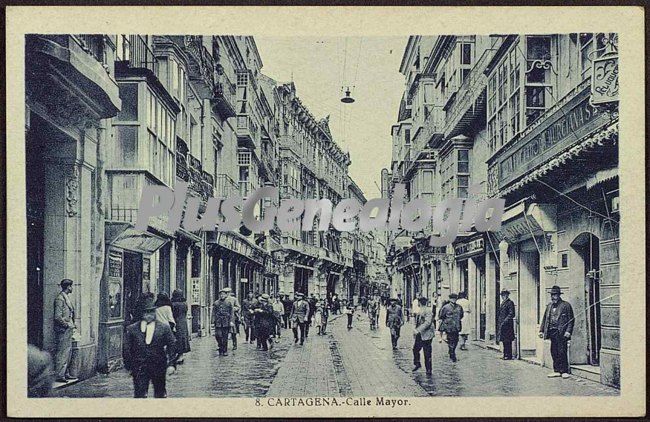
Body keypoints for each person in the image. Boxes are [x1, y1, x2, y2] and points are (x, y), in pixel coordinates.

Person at [123, 295, 176, 398]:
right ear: (142, 314)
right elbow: (126, 349)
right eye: (146, 312)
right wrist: (129, 366)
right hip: (139, 367)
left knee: (160, 393)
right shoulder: (132, 329)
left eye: (151, 312)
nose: (149, 315)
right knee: (140, 394)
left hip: (159, 366)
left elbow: (172, 346)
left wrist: (171, 364)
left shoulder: (164, 328)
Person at [539, 285, 575, 378]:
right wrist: (541, 330)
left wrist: (568, 331)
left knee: (562, 351)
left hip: (562, 332)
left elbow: (571, 320)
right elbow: (545, 319)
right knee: (553, 351)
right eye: (552, 295)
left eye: (555, 295)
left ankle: (564, 371)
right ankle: (556, 370)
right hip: (552, 332)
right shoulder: (549, 306)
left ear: (559, 295)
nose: (553, 297)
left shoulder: (566, 305)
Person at [53, 278, 77, 383]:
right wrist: (67, 325)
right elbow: (57, 317)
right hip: (63, 330)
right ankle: (59, 375)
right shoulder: (60, 299)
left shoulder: (66, 297)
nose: (72, 288)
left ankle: (65, 373)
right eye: (71, 286)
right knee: (62, 352)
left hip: (68, 329)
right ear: (68, 287)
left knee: (68, 352)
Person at [438, 293, 464, 362]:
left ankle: (451, 350)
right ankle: (452, 354)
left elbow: (461, 315)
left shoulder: (459, 307)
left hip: (457, 326)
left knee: (456, 340)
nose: (454, 300)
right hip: (448, 326)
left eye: (455, 298)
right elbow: (441, 316)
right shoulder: (446, 307)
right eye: (452, 298)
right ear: (450, 299)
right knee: (450, 340)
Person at [412, 297, 435, 375]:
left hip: (427, 334)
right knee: (415, 349)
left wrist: (418, 330)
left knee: (427, 352)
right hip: (420, 334)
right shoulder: (420, 310)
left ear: (420, 303)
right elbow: (418, 322)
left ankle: (429, 369)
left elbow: (427, 323)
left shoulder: (428, 311)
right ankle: (417, 363)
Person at [212, 288, 234, 356]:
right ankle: (220, 346)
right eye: (221, 294)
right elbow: (213, 313)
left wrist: (231, 321)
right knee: (218, 335)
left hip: (226, 321)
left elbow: (231, 312)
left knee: (225, 336)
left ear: (226, 295)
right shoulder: (216, 303)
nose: (222, 296)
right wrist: (212, 322)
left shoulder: (228, 303)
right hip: (218, 321)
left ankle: (224, 350)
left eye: (223, 294)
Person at [170, 290, 190, 364]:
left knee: (176, 338)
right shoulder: (185, 303)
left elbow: (173, 314)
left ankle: (178, 355)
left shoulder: (174, 304)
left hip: (176, 322)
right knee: (183, 338)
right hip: (183, 322)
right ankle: (181, 355)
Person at [496, 289, 516, 360]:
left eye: (504, 295)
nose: (503, 296)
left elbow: (511, 314)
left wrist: (505, 321)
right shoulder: (503, 303)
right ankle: (505, 354)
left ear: (507, 295)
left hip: (507, 325)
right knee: (504, 340)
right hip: (503, 324)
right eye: (502, 295)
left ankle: (508, 355)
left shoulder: (510, 303)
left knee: (508, 341)